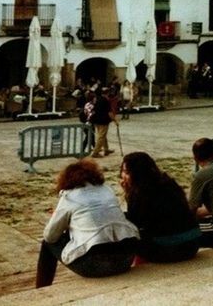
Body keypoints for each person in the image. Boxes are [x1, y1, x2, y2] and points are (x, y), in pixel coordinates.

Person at [35, 159, 139, 288]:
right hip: (125, 260)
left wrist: (62, 219)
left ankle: (42, 287)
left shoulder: (69, 197)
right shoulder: (107, 191)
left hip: (95, 265)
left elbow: (50, 236)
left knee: (47, 243)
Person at [119, 152, 200, 263]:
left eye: (126, 172)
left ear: (138, 174)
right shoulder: (169, 183)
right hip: (192, 244)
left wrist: (128, 193)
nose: (122, 176)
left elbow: (134, 223)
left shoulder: (141, 193)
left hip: (170, 250)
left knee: (126, 236)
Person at [89, 91, 114, 158]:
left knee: (103, 135)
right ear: (107, 94)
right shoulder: (106, 100)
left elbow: (93, 109)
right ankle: (95, 152)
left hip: (96, 120)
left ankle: (106, 149)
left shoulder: (96, 99)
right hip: (103, 120)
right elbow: (110, 112)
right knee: (101, 136)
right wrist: (115, 120)